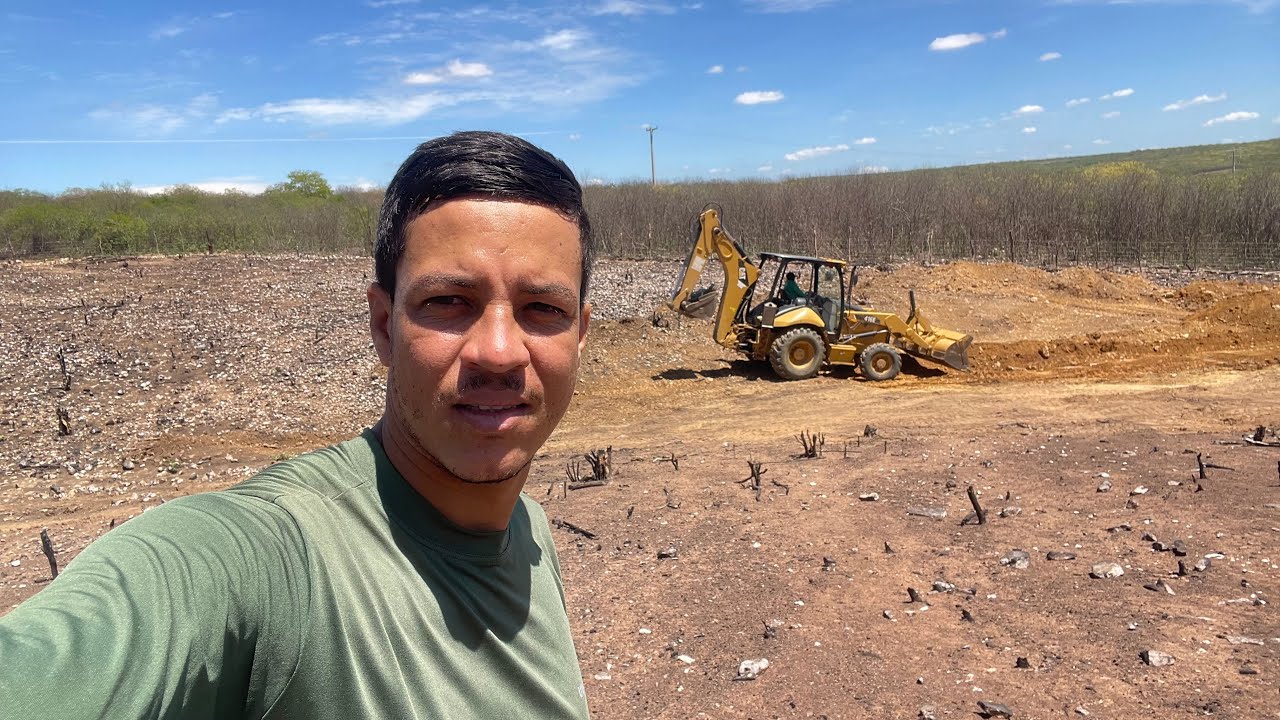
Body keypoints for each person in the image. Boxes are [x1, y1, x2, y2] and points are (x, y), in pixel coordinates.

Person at [0, 131, 594, 719]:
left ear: (580, 336)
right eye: (447, 301)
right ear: (384, 326)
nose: (498, 353)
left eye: (543, 309)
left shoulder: (529, 530)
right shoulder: (267, 557)